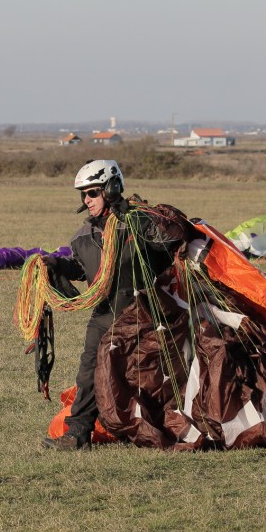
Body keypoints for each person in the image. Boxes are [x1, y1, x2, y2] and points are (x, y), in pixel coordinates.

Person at [41, 159, 189, 450]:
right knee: (88, 374)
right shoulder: (83, 237)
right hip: (105, 314)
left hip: (146, 313)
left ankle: (169, 426)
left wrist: (138, 219)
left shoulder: (138, 224)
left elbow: (174, 237)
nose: (87, 200)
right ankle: (77, 435)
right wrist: (55, 265)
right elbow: (85, 270)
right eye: (83, 194)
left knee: (150, 375)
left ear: (111, 189)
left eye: (93, 193)